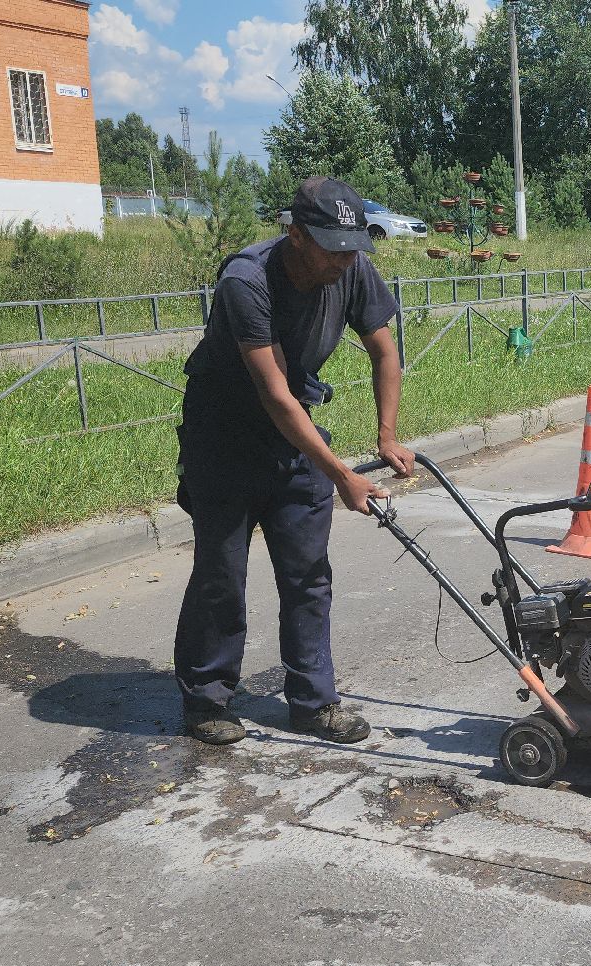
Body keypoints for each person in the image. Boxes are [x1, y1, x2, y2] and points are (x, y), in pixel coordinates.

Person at [172, 176, 416, 747]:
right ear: (298, 235)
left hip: (295, 437)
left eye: (353, 248)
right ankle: (207, 699)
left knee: (308, 576)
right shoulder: (246, 280)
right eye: (333, 248)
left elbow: (384, 350)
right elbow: (276, 395)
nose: (345, 260)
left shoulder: (350, 267)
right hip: (224, 443)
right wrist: (342, 476)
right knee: (221, 577)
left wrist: (386, 436)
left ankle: (313, 703)